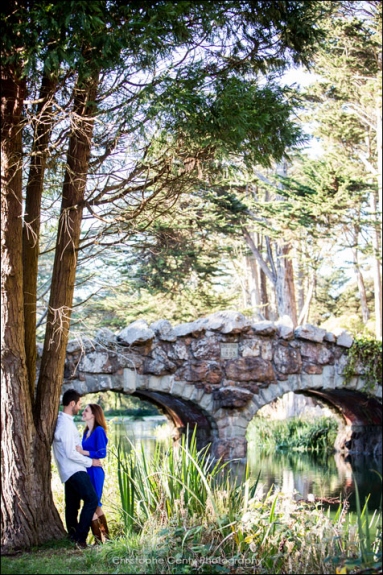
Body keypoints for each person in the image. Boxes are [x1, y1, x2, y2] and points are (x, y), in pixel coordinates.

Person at [52, 389, 102, 548]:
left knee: (72, 505)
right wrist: (91, 462)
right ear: (72, 403)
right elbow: (70, 452)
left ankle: (73, 537)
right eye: (79, 404)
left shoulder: (65, 421)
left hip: (69, 470)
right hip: (74, 469)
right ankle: (80, 538)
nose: (80, 407)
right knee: (92, 499)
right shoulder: (65, 425)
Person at [75, 403, 109, 543]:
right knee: (95, 505)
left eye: (86, 411)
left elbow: (102, 453)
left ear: (94, 415)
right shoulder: (85, 432)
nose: (83, 412)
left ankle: (99, 541)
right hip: (86, 470)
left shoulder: (99, 431)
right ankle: (106, 540)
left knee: (93, 504)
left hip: (95, 472)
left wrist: (83, 452)